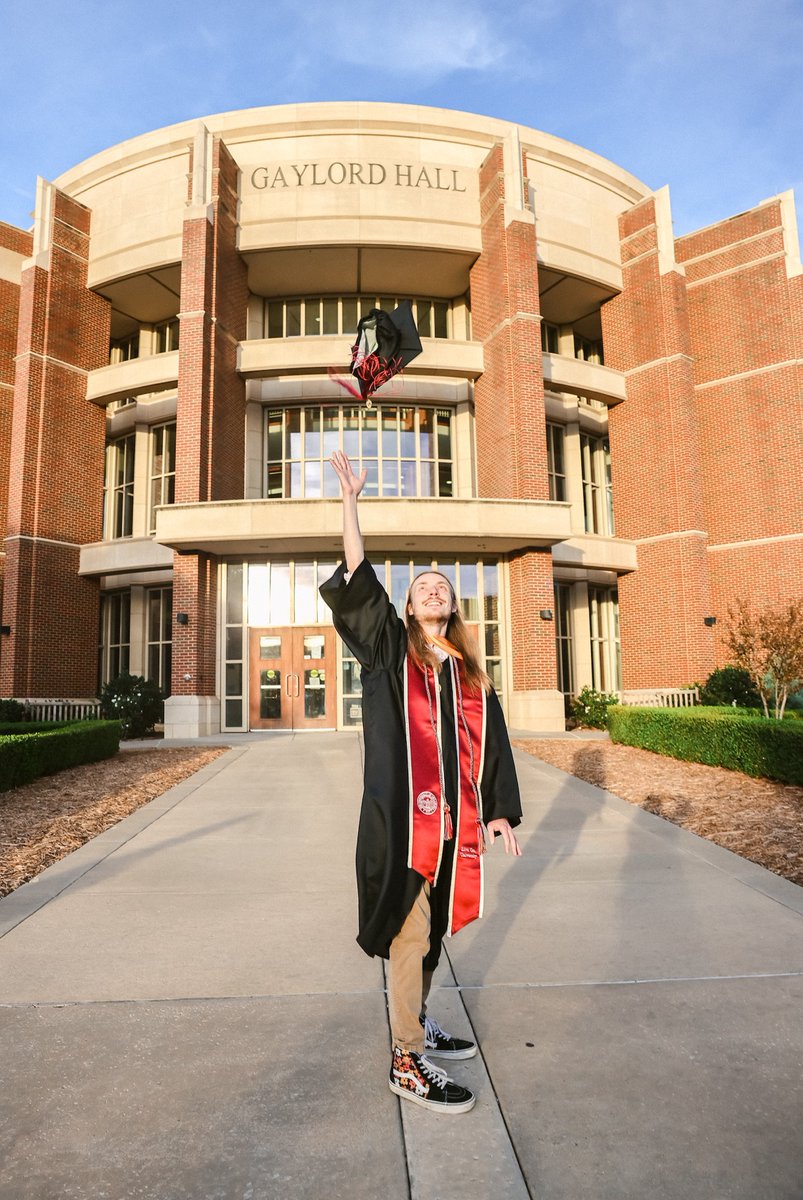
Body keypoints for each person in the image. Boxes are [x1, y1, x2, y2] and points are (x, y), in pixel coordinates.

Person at [320, 450, 522, 1114]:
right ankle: (407, 1059)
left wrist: (498, 812)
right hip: (403, 825)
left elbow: (488, 751)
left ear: (454, 603)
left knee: (432, 934)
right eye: (421, 586)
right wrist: (350, 501)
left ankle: (419, 1018)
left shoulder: (468, 673)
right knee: (409, 933)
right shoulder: (386, 648)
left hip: (455, 830)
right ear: (406, 606)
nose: (432, 589)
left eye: (442, 585)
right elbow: (356, 574)